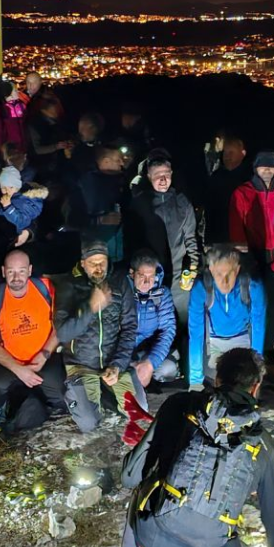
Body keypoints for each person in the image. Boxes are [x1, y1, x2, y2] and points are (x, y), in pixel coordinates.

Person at [106, 348, 274, 547]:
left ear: (217, 380)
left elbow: (130, 476)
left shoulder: (180, 404)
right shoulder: (261, 442)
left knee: (143, 490)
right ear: (255, 388)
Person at [0, 250, 67, 432]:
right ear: (3, 272)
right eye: (11, 271)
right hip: (10, 361)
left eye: (21, 271)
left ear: (30, 270)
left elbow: (60, 327)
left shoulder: (46, 288)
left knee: (59, 391)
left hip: (43, 357)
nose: (16, 277)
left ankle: (52, 414)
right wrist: (19, 369)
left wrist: (44, 354)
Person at [54, 239, 140, 433]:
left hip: (113, 363)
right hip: (81, 364)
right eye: (93, 263)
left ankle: (107, 392)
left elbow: (129, 327)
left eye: (102, 261)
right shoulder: (69, 285)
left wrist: (118, 364)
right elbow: (63, 333)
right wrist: (90, 308)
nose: (98, 267)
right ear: (83, 263)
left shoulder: (119, 282)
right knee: (89, 424)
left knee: (138, 412)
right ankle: (94, 395)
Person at [125, 156, 200, 372]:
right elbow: (131, 239)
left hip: (178, 273)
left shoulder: (182, 202)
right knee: (148, 323)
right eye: (158, 175)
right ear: (148, 177)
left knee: (183, 321)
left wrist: (192, 266)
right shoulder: (140, 203)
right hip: (150, 275)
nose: (163, 179)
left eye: (166, 174)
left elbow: (191, 238)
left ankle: (188, 370)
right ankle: (144, 366)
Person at [229, 150, 274, 350]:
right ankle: (249, 347)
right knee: (251, 302)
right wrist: (245, 258)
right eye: (263, 166)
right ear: (255, 168)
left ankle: (270, 349)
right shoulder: (242, 193)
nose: (267, 170)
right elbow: (236, 226)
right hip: (252, 255)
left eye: (271, 166)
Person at [188, 244, 266, 390]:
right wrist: (195, 380)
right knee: (220, 383)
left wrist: (257, 370)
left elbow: (258, 325)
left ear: (237, 269)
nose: (224, 281)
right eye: (219, 274)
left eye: (229, 274)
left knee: (241, 382)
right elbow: (196, 332)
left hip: (243, 341)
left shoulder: (252, 285)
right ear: (211, 270)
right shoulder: (202, 287)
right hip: (214, 343)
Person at [126, 250, 179, 387]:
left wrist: (150, 363)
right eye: (142, 276)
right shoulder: (122, 292)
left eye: (151, 276)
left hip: (148, 349)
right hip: (123, 349)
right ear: (132, 274)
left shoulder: (162, 295)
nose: (147, 282)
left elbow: (168, 329)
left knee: (168, 369)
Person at [0, 166, 48, 266]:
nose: (6, 191)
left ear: (18, 186)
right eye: (3, 188)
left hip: (10, 239)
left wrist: (8, 207)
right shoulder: (10, 198)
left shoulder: (24, 202)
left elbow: (22, 222)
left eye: (10, 187)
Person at [70, 147, 127, 261]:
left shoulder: (115, 180)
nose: (122, 163)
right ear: (106, 161)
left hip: (115, 244)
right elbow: (73, 219)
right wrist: (101, 220)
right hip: (95, 248)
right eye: (118, 160)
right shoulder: (88, 183)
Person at [204, 135, 251, 245]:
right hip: (219, 238)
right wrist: (209, 240)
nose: (227, 156)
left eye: (231, 152)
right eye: (225, 153)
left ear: (243, 153)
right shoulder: (216, 177)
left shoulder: (250, 178)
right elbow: (210, 211)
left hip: (244, 240)